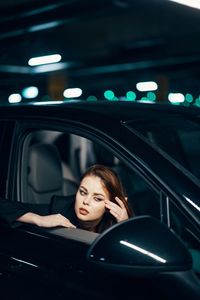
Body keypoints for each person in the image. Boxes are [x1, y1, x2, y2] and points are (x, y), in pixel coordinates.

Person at [0, 164, 133, 233]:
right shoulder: (60, 209)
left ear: (110, 205)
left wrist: (125, 226)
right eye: (83, 192)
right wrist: (38, 219)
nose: (85, 201)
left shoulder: (116, 221)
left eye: (97, 198)